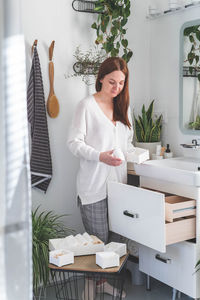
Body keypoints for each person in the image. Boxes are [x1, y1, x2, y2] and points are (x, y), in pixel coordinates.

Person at [67, 57, 148, 298]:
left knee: (114, 241)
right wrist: (99, 156)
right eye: (112, 81)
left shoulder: (124, 108)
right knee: (98, 241)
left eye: (121, 83)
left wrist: (145, 157)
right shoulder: (86, 106)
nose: (116, 88)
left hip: (118, 187)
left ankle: (103, 283)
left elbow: (127, 145)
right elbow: (73, 143)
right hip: (92, 188)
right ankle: (89, 289)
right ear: (101, 78)